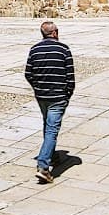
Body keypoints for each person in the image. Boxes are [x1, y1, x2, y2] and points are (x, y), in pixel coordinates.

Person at [23, 20, 74, 184]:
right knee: (52, 129)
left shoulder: (34, 49)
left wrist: (37, 88)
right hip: (58, 97)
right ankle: (43, 166)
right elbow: (70, 78)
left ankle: (51, 156)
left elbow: (28, 73)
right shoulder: (64, 49)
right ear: (56, 33)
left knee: (48, 124)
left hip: (42, 96)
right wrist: (67, 95)